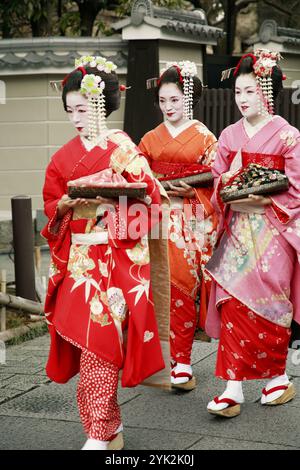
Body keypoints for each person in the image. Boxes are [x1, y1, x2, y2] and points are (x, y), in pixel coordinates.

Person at [42, 56, 170, 450]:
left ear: (100, 105)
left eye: (83, 109)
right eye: (70, 111)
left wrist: (112, 208)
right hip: (78, 262)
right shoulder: (63, 158)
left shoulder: (123, 149)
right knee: (85, 346)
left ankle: (99, 433)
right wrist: (65, 205)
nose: (76, 118)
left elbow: (152, 201)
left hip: (115, 260)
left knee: (101, 343)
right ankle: (107, 429)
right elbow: (50, 205)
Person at [205, 49, 300, 418]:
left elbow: (296, 188)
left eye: (251, 91)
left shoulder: (289, 136)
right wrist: (230, 181)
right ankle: (232, 386)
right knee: (231, 298)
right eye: (238, 93)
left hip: (275, 229)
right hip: (237, 228)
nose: (243, 100)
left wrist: (264, 196)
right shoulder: (228, 135)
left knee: (272, 300)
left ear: (268, 92)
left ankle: (276, 376)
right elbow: (216, 179)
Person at [139, 61, 218, 390]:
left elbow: (215, 182)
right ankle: (154, 358)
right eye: (163, 100)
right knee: (150, 288)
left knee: (182, 287)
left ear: (188, 99)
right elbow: (137, 176)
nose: (168, 107)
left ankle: (182, 361)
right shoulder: (148, 139)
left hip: (189, 220)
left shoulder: (204, 138)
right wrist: (152, 188)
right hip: (155, 219)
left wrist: (195, 190)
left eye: (175, 99)